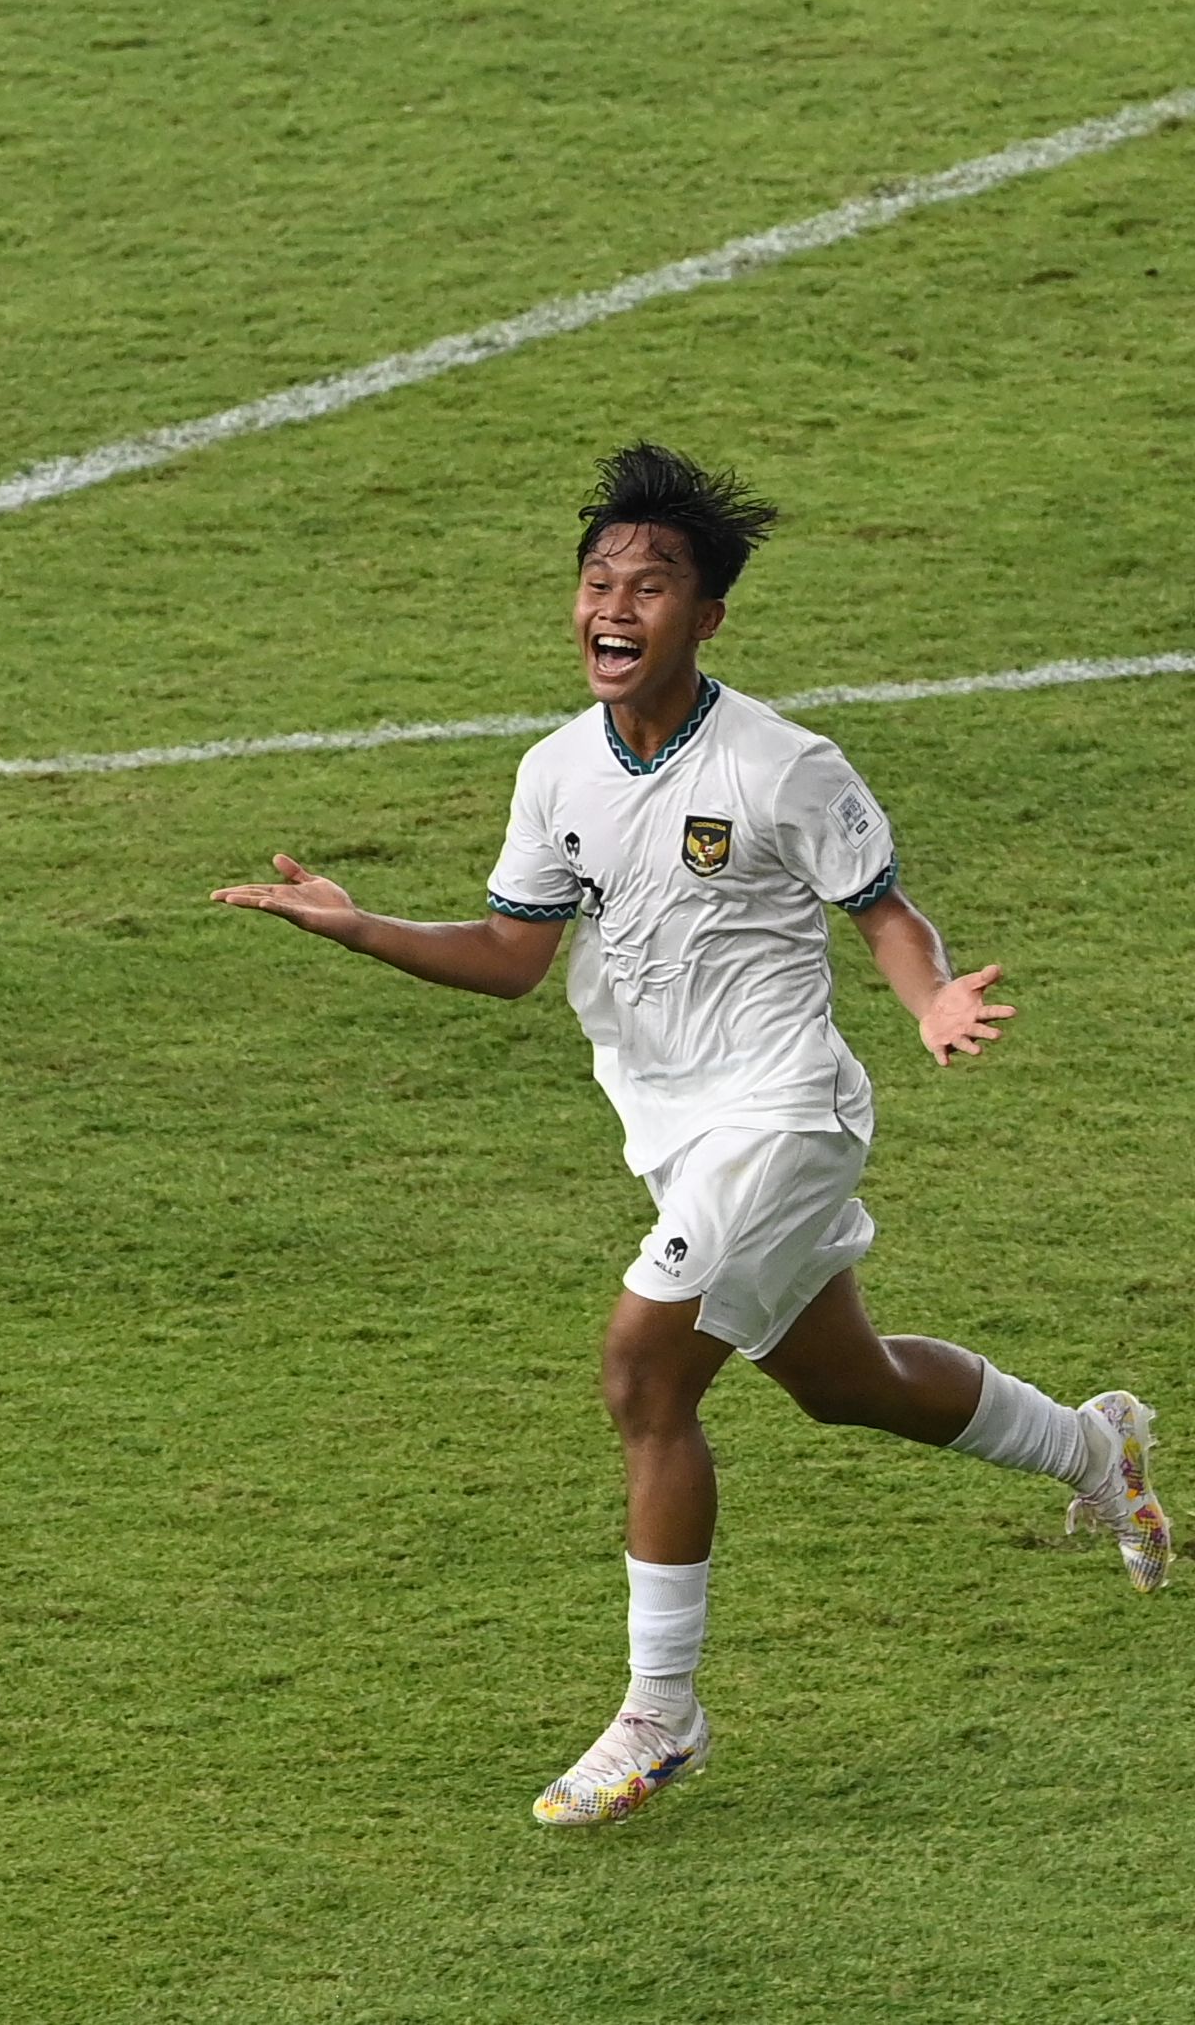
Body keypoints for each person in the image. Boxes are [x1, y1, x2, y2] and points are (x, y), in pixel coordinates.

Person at [211, 442, 1167, 1827]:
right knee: (848, 1379)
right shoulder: (556, 773)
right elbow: (508, 954)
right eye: (597, 578)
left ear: (706, 615)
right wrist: (362, 925)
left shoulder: (784, 764)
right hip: (675, 1134)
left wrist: (931, 997)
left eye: (649, 583)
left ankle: (662, 1712)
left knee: (643, 1364)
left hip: (788, 1114)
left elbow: (883, 909)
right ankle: (1097, 1445)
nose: (614, 602)